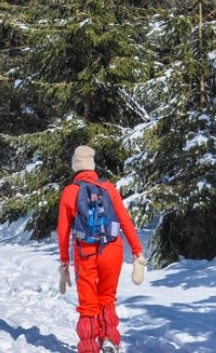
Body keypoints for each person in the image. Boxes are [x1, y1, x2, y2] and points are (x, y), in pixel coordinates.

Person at [57, 145, 146, 353]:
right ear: (92, 166)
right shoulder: (108, 188)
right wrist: (137, 251)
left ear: (75, 166)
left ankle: (89, 347)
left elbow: (63, 231)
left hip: (86, 252)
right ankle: (109, 340)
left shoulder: (70, 191)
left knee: (88, 305)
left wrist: (64, 261)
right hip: (113, 249)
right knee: (107, 298)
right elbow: (125, 220)